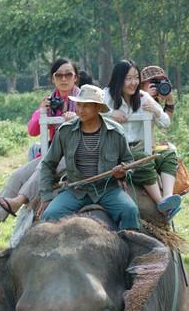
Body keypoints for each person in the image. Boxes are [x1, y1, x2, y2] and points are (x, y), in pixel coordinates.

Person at [0, 58, 80, 238]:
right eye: (59, 75)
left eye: (68, 74)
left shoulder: (83, 99)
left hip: (75, 155)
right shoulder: (50, 101)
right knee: (16, 176)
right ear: (53, 79)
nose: (64, 79)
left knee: (43, 166)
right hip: (51, 153)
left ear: (75, 77)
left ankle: (17, 201)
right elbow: (32, 131)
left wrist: (76, 116)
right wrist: (41, 111)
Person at [39, 84, 140, 230]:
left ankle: (130, 249)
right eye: (78, 105)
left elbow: (129, 162)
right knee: (50, 215)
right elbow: (48, 164)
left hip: (107, 190)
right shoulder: (65, 131)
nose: (80, 110)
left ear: (98, 108)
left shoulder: (116, 132)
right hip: (75, 189)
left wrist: (123, 172)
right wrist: (46, 196)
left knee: (130, 211)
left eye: (86, 106)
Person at [103, 60, 181, 221]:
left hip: (141, 146)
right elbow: (91, 113)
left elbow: (166, 122)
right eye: (128, 78)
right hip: (118, 150)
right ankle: (161, 204)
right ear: (118, 79)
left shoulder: (143, 97)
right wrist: (111, 114)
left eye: (136, 78)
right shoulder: (106, 96)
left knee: (168, 154)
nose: (133, 83)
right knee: (141, 159)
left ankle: (167, 197)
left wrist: (156, 111)